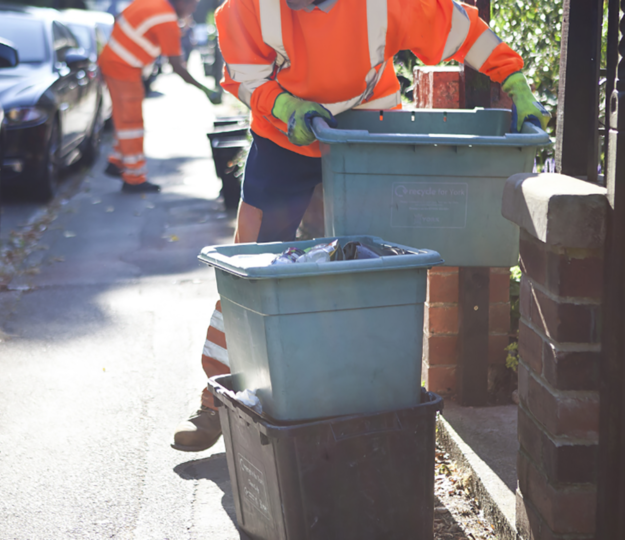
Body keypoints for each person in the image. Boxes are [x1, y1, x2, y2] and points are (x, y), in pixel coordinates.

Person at [171, 0, 551, 451]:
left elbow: (457, 26)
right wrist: (287, 105)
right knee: (249, 268)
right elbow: (246, 78)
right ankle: (219, 400)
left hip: (367, 136)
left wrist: (514, 80)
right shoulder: (243, 9)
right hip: (283, 136)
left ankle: (365, 406)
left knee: (373, 268)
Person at [98, 0, 222, 193]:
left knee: (125, 119)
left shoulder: (154, 5)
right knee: (131, 123)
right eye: (192, 5)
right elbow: (177, 66)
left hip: (116, 62)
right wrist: (204, 89)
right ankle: (134, 178)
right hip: (124, 67)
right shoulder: (166, 19)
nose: (194, 9)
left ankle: (117, 161)